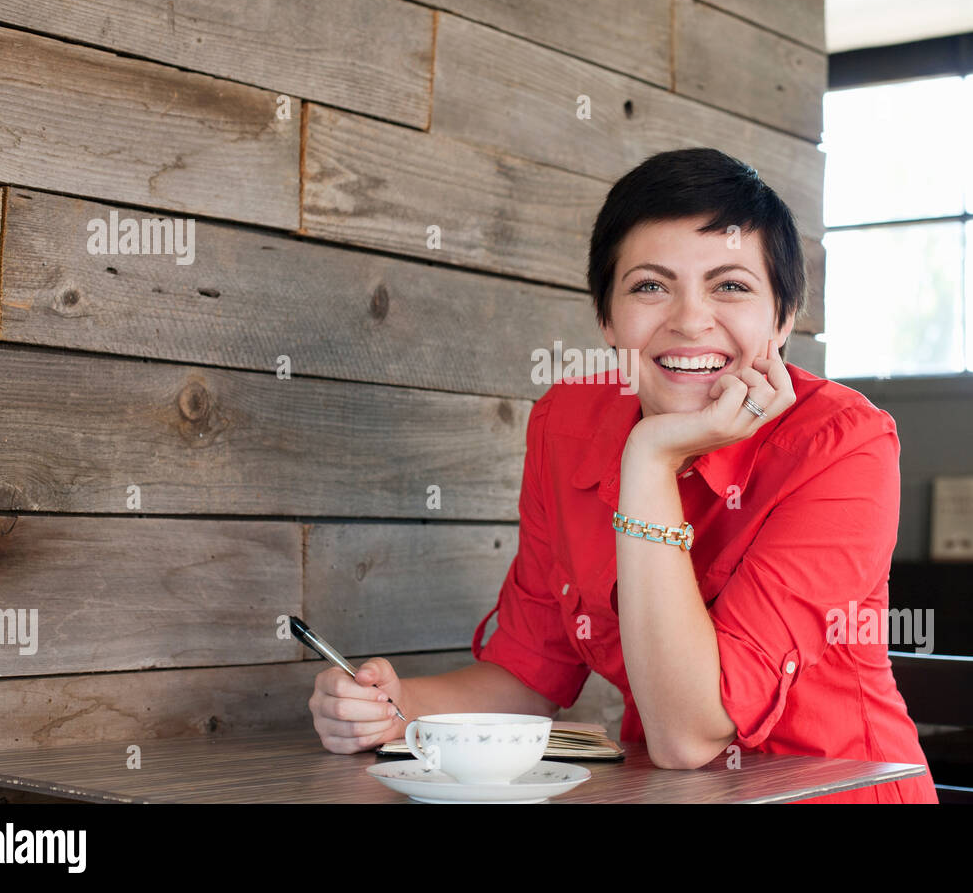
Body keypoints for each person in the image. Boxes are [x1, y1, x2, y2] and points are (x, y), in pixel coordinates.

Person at [309, 147, 937, 802]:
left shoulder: (840, 444)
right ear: (607, 321)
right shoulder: (566, 426)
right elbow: (531, 676)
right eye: (649, 285)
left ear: (781, 321)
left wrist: (649, 456)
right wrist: (390, 704)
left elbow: (689, 737)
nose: (690, 320)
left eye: (731, 285)